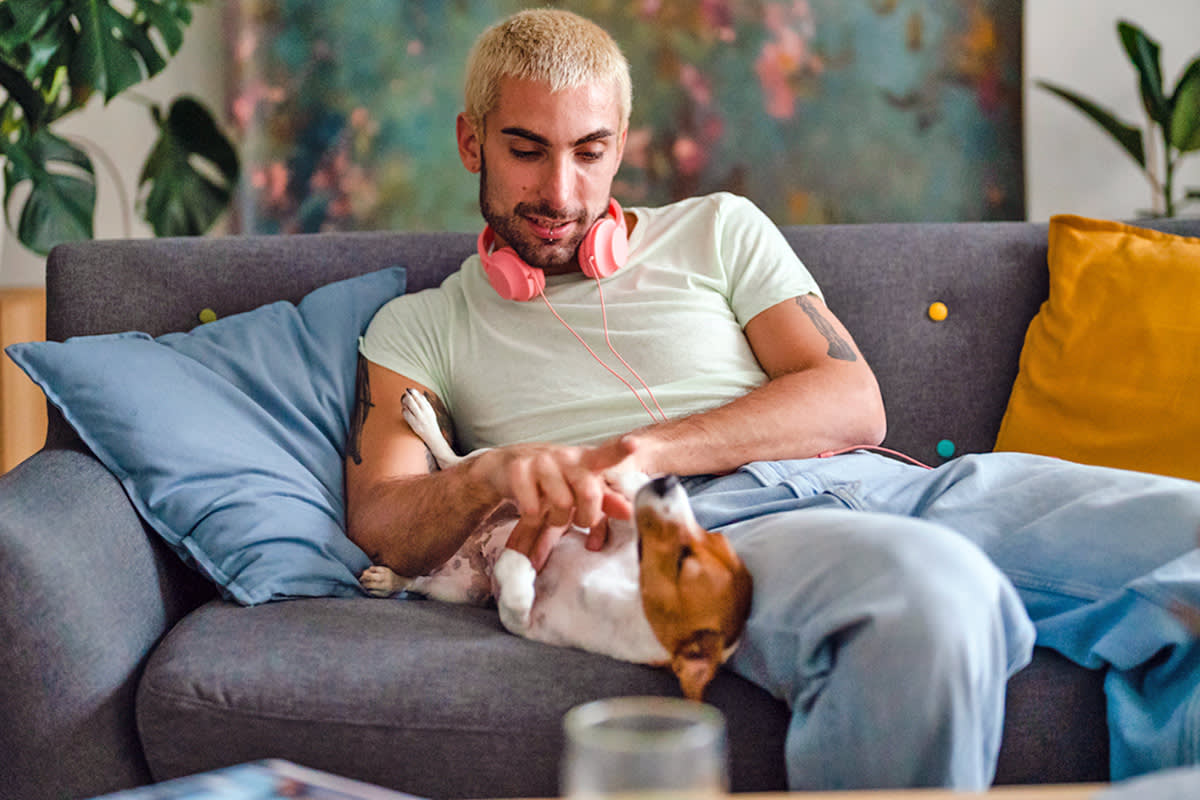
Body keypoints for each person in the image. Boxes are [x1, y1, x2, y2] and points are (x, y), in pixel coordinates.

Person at [344, 8, 1200, 791]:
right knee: (932, 600)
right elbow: (383, 515)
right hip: (716, 532)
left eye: (590, 151)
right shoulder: (421, 325)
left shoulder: (720, 227)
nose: (562, 194)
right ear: (471, 142)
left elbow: (850, 397)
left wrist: (644, 449)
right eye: (527, 149)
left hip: (886, 484)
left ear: (623, 143)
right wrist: (496, 471)